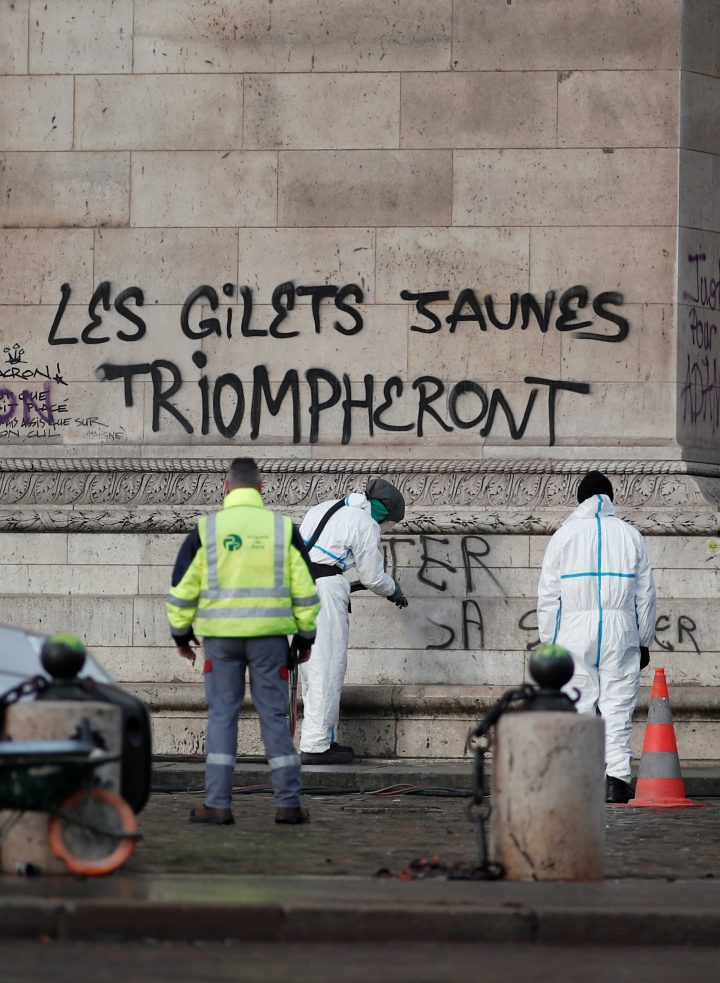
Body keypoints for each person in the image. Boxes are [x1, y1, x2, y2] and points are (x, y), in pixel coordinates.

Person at [166, 458, 320, 826]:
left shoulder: (207, 530)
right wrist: (304, 635)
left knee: (222, 716)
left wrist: (181, 634)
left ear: (227, 487)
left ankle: (218, 805)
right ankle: (288, 804)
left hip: (220, 641)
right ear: (262, 488)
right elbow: (306, 588)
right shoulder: (283, 529)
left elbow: (182, 588)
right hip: (270, 640)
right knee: (274, 717)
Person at [537, 470, 656, 804]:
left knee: (579, 703)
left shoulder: (564, 535)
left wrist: (549, 641)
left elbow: (548, 596)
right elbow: (645, 595)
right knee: (618, 707)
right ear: (610, 499)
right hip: (621, 629)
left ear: (580, 499)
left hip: (574, 631)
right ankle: (617, 779)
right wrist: (644, 639)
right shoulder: (631, 535)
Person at [298, 477, 409, 764]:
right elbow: (372, 577)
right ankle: (317, 746)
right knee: (327, 664)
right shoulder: (365, 523)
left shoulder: (324, 508)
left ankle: (316, 738)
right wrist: (393, 590)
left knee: (310, 667)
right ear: (384, 514)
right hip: (323, 592)